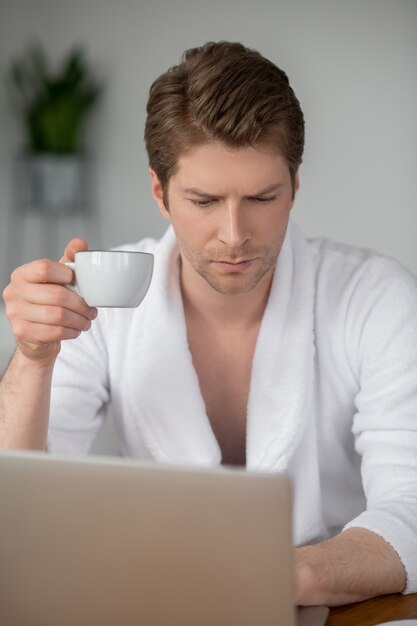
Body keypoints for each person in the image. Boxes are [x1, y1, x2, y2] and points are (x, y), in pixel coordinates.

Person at [1, 41, 417, 606]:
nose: (233, 234)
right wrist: (31, 359)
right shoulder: (99, 302)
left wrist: (261, 577)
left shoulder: (377, 299)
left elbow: (411, 510)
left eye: (262, 197)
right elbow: (18, 512)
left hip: (336, 609)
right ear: (160, 193)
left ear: (295, 185)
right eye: (202, 200)